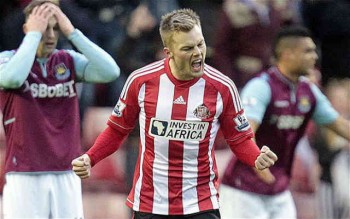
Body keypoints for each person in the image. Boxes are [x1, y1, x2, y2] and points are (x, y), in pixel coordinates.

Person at [72, 8, 277, 219]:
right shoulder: (141, 81)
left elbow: (239, 137)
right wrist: (90, 157)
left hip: (201, 203)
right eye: (188, 48)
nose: (198, 53)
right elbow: (117, 130)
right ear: (168, 52)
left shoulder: (222, 87)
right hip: (150, 203)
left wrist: (255, 157)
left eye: (200, 44)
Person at [0, 0, 120, 218]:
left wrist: (73, 33)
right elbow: (12, 79)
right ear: (27, 29)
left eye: (55, 28)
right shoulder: (7, 60)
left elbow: (110, 71)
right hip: (24, 173)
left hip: (67, 172)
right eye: (45, 28)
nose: (51, 35)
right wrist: (33, 35)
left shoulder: (68, 61)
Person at [219, 26, 350, 219]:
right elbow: (243, 133)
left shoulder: (309, 92)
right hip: (243, 192)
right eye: (307, 51)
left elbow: (340, 125)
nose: (314, 56)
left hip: (279, 193)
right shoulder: (261, 87)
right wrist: (259, 164)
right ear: (287, 54)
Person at [313, 78, 350, 219]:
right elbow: (321, 155)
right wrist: (341, 148)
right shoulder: (324, 125)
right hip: (328, 185)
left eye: (343, 99)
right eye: (336, 99)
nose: (340, 103)